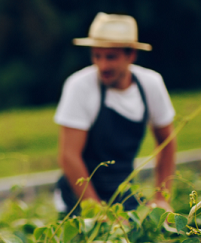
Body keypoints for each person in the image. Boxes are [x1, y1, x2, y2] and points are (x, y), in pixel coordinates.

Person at [53, 12, 177, 215]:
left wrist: (161, 198)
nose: (103, 66)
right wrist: (97, 211)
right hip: (79, 195)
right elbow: (69, 156)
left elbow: (167, 143)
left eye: (111, 57)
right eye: (97, 56)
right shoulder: (79, 86)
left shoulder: (150, 84)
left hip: (123, 191)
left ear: (131, 55)